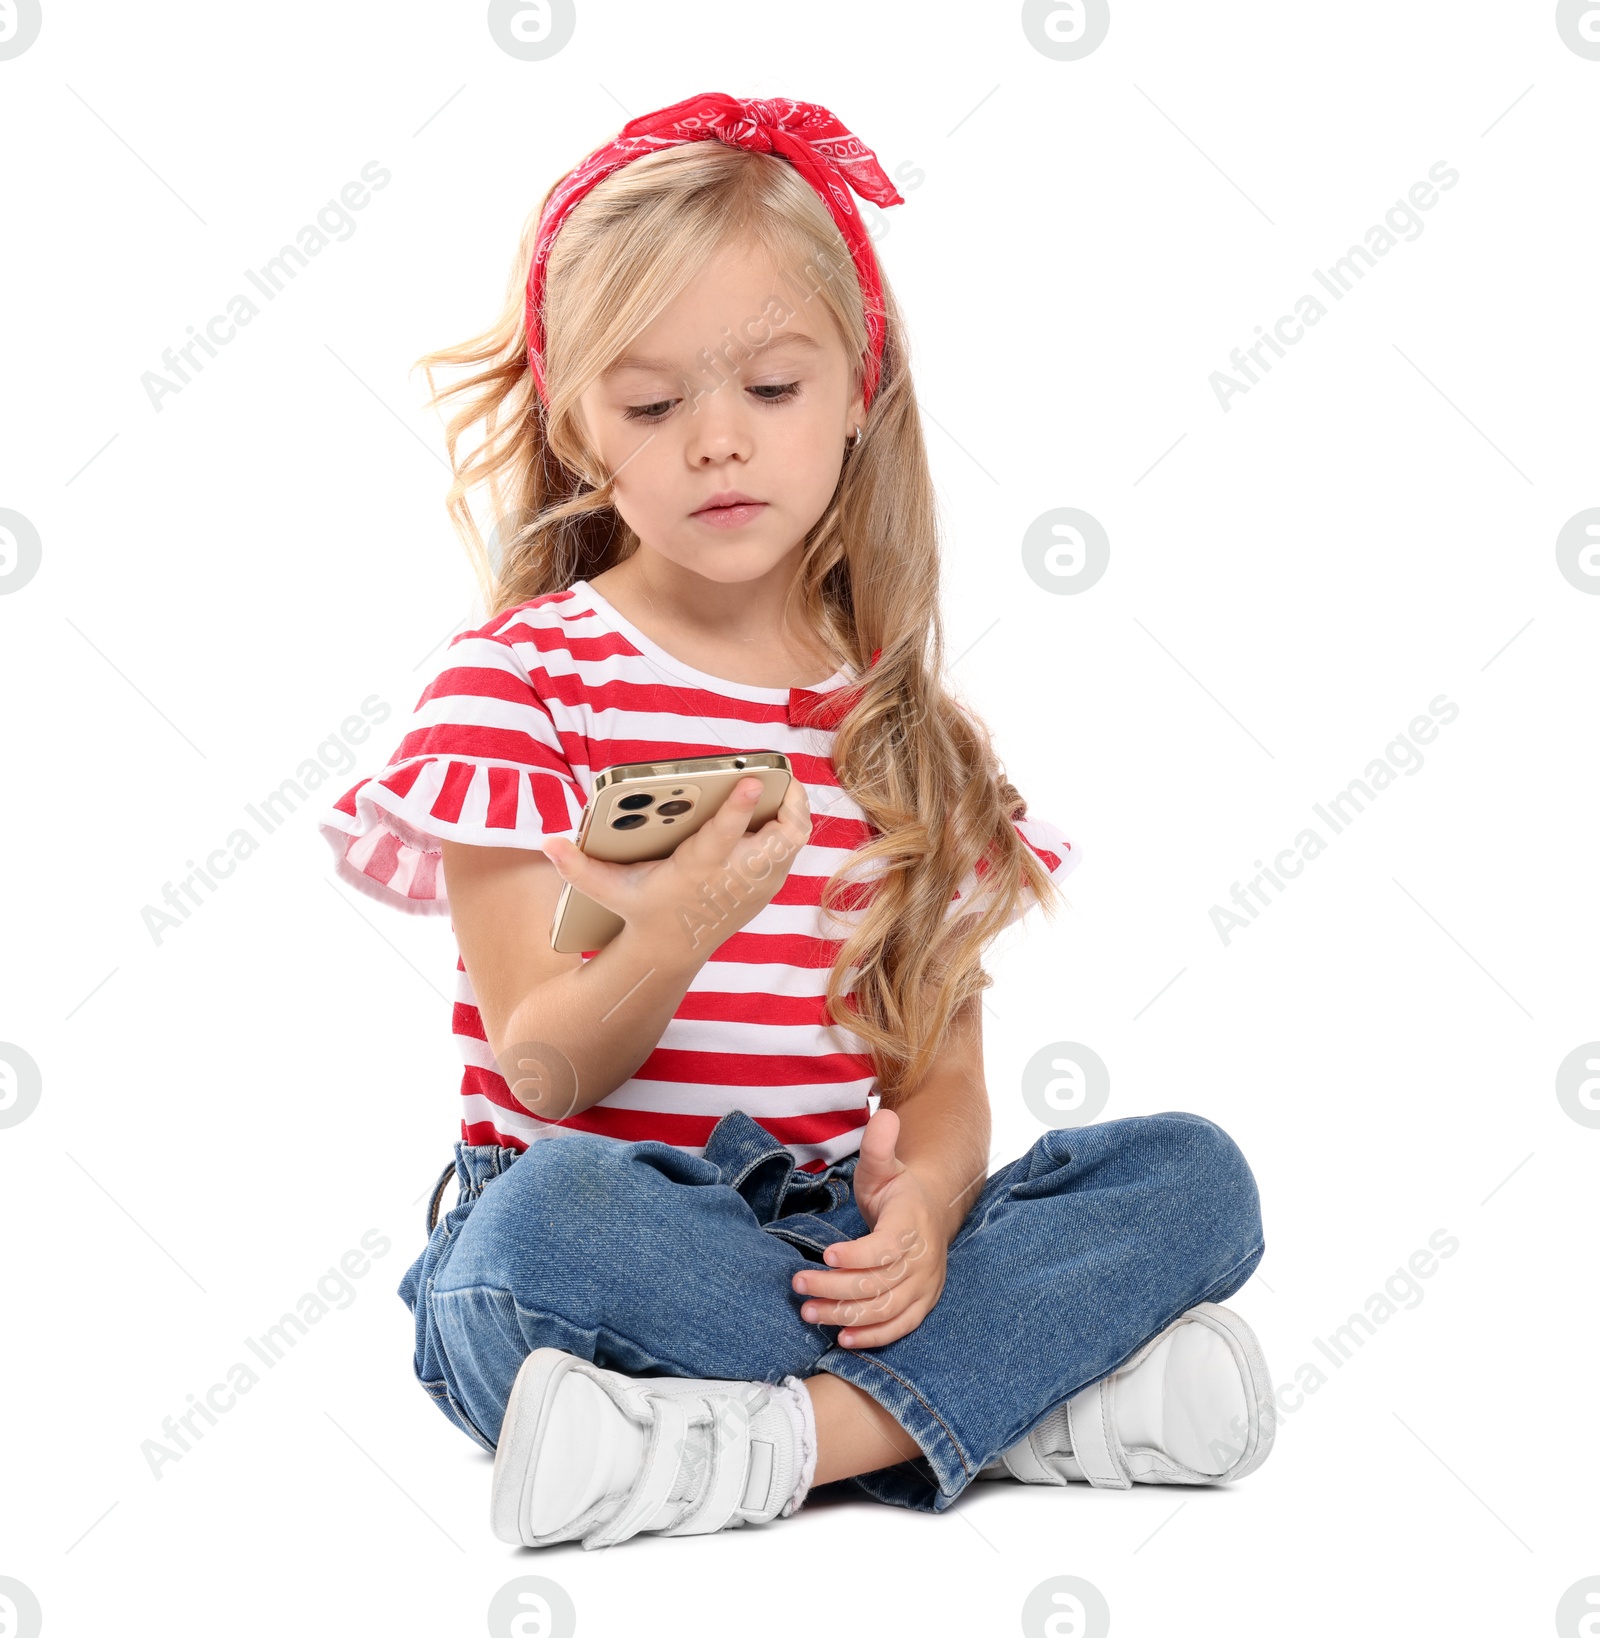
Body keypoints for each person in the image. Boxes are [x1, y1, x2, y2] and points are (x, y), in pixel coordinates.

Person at [317, 90, 1274, 1553]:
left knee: (1192, 1174)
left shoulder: (903, 731)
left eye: (770, 389)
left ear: (854, 395)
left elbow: (941, 1074)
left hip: (827, 1248)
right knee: (528, 1240)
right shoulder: (523, 684)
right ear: (580, 431)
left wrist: (935, 1206)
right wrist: (680, 923)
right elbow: (547, 1068)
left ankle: (771, 1441)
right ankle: (1027, 1404)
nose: (717, 443)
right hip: (617, 1233)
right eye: (652, 405)